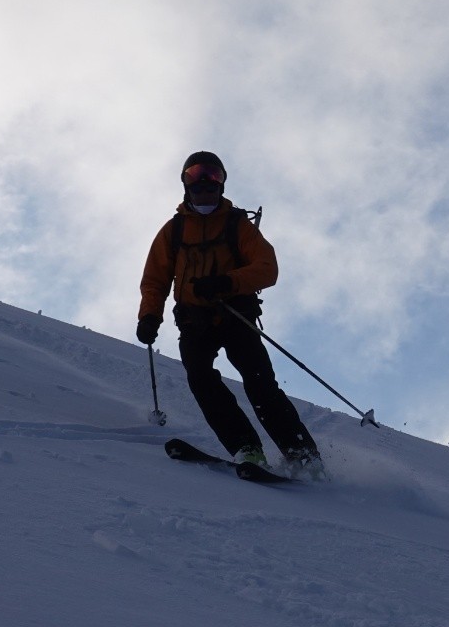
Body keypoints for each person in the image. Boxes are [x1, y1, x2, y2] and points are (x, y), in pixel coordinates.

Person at [136, 151, 323, 477]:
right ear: (185, 183)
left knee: (261, 386)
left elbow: (267, 268)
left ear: (222, 183)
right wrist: (150, 316)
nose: (204, 182)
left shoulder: (238, 225)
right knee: (201, 380)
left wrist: (226, 282)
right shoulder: (175, 231)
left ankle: (303, 457)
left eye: (213, 175)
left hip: (235, 315)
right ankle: (247, 449)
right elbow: (156, 279)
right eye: (196, 174)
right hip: (195, 321)